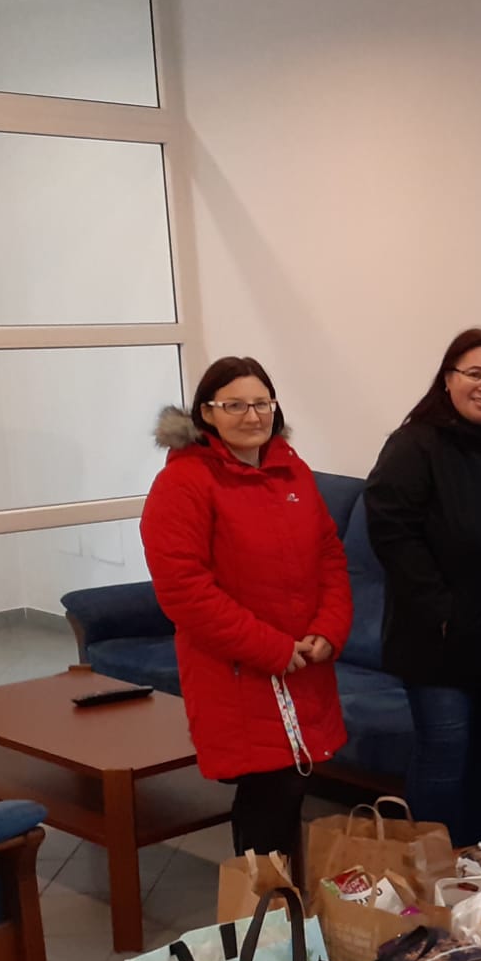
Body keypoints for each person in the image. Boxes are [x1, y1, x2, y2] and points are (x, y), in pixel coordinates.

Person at [141, 357, 350, 870]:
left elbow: (329, 555)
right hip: (239, 669)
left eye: (261, 403)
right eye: (233, 405)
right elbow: (185, 591)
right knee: (266, 792)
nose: (251, 415)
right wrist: (272, 648)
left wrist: (329, 628)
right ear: (206, 414)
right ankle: (264, 923)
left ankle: (287, 916)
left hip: (304, 666)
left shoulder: (291, 470)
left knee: (291, 787)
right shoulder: (184, 483)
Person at [364, 327, 481, 846]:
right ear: (448, 379)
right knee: (445, 752)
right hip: (438, 639)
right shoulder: (416, 444)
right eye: (476, 374)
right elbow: (390, 528)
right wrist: (440, 607)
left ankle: (479, 869)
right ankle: (433, 869)